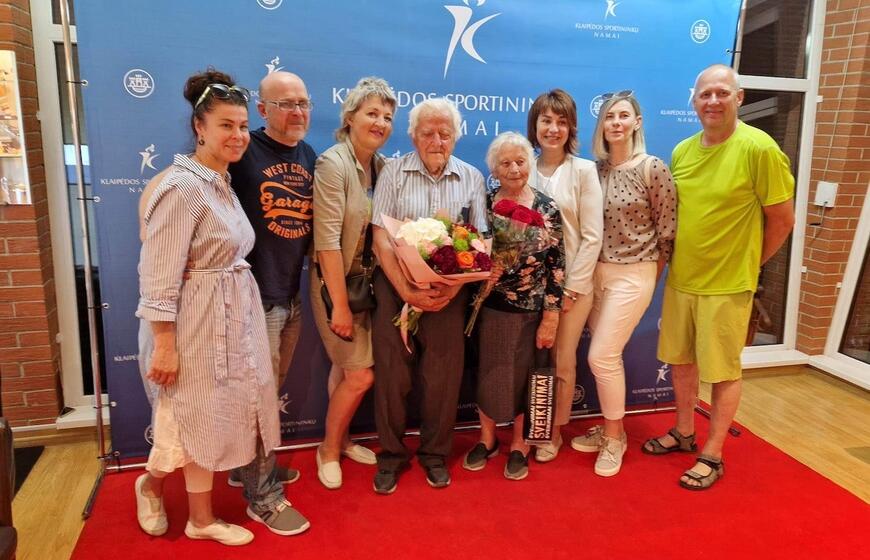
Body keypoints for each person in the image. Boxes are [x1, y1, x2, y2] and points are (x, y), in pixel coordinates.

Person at [134, 69, 283, 545]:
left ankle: (198, 518)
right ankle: (154, 487)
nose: (238, 135)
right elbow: (157, 275)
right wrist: (164, 344)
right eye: (225, 125)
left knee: (210, 417)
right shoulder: (182, 187)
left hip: (230, 315)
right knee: (188, 417)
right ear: (199, 127)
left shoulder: (221, 182)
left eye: (242, 126)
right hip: (193, 321)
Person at [644, 64, 795, 490]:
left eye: (722, 93)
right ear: (694, 101)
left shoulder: (759, 149)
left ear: (739, 98)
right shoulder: (682, 152)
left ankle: (712, 452)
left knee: (723, 372)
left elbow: (783, 220)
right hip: (682, 280)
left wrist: (750, 264)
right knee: (681, 363)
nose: (713, 101)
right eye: (705, 94)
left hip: (727, 286)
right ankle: (684, 431)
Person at [369, 97, 487, 494]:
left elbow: (480, 242)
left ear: (456, 136)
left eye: (444, 133)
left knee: (443, 378)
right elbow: (380, 237)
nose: (437, 141)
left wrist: (452, 289)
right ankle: (391, 455)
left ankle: (435, 454)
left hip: (449, 294)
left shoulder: (471, 177)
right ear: (413, 136)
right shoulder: (393, 172)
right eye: (428, 133)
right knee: (392, 376)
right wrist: (405, 288)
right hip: (394, 288)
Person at [569, 91, 676, 477]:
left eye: (623, 115)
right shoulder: (594, 170)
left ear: (637, 122)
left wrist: (649, 277)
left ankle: (615, 438)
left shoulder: (652, 168)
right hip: (594, 274)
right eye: (609, 116)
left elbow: (667, 232)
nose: (616, 122)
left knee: (601, 356)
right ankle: (610, 428)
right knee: (606, 359)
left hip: (634, 274)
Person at [225, 70, 314, 535]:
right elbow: (193, 179)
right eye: (286, 104)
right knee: (257, 398)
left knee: (268, 392)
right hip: (253, 299)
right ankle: (262, 498)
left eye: (303, 103)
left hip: (290, 295)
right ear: (262, 109)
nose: (297, 112)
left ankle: (248, 467)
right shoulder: (243, 150)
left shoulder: (309, 154)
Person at [309, 77, 397, 489]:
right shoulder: (333, 164)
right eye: (372, 113)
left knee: (345, 370)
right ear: (349, 118)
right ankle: (327, 449)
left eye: (387, 117)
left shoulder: (383, 167)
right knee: (361, 376)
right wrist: (340, 305)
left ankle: (342, 440)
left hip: (370, 287)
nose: (380, 123)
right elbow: (326, 242)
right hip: (335, 285)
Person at [462, 132, 564, 480]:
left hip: (530, 308)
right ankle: (487, 439)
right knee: (486, 374)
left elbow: (557, 265)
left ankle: (520, 444)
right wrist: (484, 271)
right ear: (494, 169)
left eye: (520, 161)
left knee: (524, 379)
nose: (514, 169)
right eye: (505, 163)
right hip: (487, 306)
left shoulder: (548, 208)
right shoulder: (484, 204)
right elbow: (469, 249)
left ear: (530, 164)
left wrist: (551, 316)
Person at [526, 89, 603, 462]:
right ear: (535, 125)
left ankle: (553, 432)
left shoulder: (584, 171)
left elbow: (592, 237)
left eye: (561, 122)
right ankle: (529, 426)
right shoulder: (522, 166)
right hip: (527, 287)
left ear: (571, 127)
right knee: (529, 360)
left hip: (572, 287)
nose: (553, 129)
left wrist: (569, 290)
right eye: (546, 120)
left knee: (561, 360)